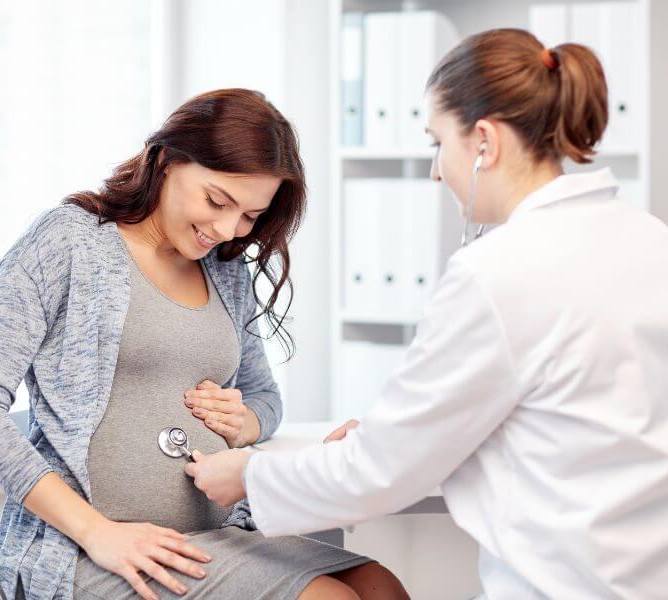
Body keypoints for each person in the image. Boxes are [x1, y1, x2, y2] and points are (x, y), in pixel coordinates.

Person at [186, 30, 668, 599]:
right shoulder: (649, 239)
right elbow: (580, 418)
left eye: (438, 142)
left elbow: (380, 473)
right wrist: (410, 432)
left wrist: (249, 475)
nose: (437, 171)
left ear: (484, 141)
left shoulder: (499, 272)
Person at [0, 89, 407, 599]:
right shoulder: (69, 242)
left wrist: (243, 421)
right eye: (216, 201)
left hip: (222, 534)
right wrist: (96, 533)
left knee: (381, 587)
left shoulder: (225, 269)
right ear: (166, 161)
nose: (227, 229)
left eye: (250, 215)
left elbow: (265, 399)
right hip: (92, 551)